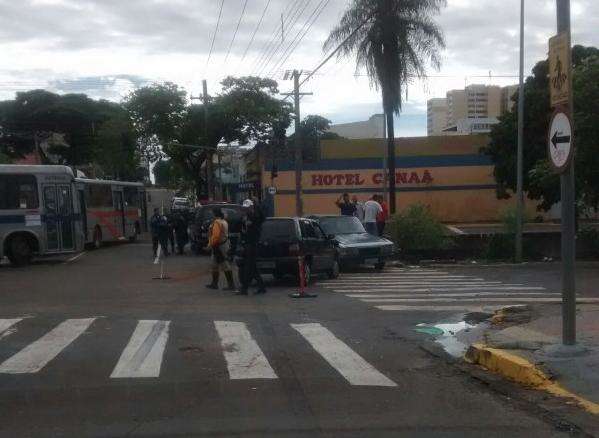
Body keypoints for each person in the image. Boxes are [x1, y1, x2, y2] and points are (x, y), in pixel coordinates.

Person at [237, 198, 266, 295]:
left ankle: (244, 288)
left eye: (247, 208)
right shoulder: (248, 216)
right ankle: (261, 287)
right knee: (252, 268)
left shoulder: (254, 216)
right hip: (248, 243)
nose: (245, 210)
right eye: (244, 208)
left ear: (251, 207)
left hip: (252, 244)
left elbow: (260, 218)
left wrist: (249, 221)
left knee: (249, 267)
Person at [205, 208, 235, 291]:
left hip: (219, 246)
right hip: (222, 245)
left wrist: (210, 245)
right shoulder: (223, 221)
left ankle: (231, 285)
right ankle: (214, 284)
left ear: (215, 214)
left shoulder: (217, 222)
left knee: (224, 264)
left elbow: (215, 236)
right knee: (214, 264)